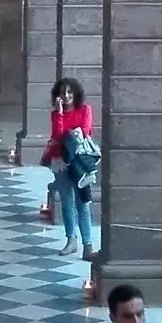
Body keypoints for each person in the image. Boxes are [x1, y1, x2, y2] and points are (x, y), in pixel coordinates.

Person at [40, 77, 96, 260]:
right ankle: (71, 240)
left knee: (83, 203)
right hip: (60, 160)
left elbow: (84, 132)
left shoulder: (85, 109)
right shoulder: (56, 114)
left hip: (79, 162)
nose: (66, 96)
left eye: (70, 92)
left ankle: (88, 245)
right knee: (66, 202)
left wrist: (66, 135)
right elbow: (57, 135)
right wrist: (60, 114)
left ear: (76, 93)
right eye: (63, 92)